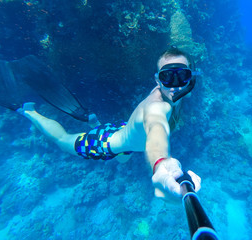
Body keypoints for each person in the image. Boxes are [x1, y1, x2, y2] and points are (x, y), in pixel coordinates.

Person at [16, 47, 201, 201]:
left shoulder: (178, 92)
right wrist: (161, 165)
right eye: (168, 77)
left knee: (123, 156)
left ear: (190, 79)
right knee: (62, 140)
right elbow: (156, 127)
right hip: (105, 143)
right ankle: (28, 111)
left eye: (182, 76)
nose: (175, 86)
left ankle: (94, 124)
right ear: (157, 80)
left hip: (125, 135)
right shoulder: (158, 107)